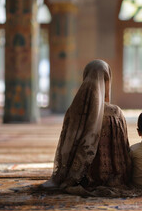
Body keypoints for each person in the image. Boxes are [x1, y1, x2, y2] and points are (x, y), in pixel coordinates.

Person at [41, 59, 135, 197]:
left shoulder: (74, 111)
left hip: (81, 178)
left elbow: (65, 146)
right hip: (114, 177)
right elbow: (124, 148)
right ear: (107, 81)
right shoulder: (115, 112)